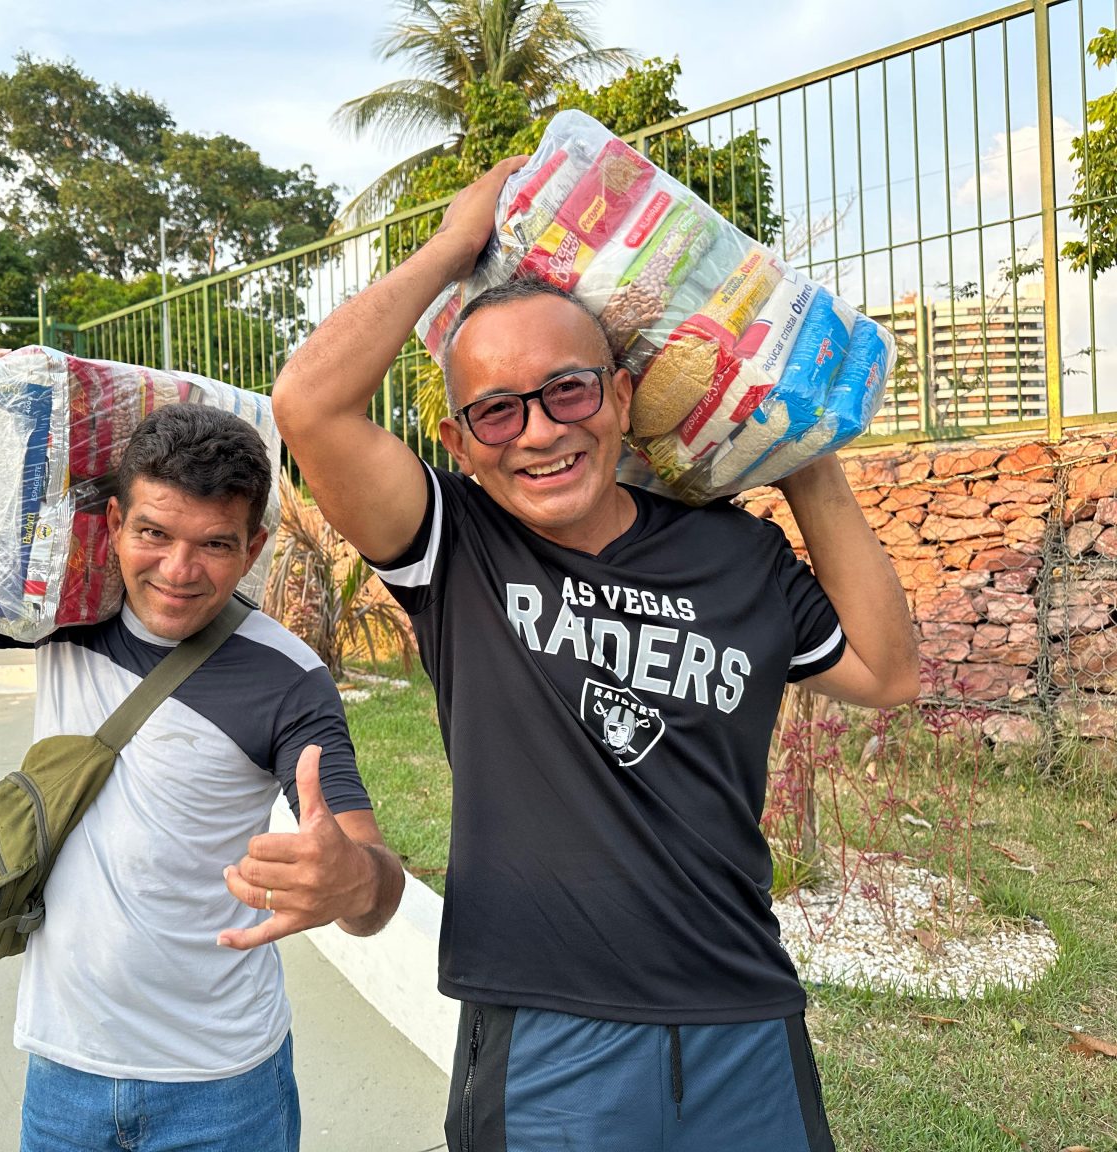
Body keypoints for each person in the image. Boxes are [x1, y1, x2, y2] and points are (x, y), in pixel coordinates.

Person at [269, 157, 920, 1152]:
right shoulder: (457, 547)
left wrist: (802, 451)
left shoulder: (733, 553)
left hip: (744, 1018)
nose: (538, 433)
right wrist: (452, 246)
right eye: (498, 410)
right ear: (462, 436)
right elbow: (310, 406)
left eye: (567, 392)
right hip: (545, 1032)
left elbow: (887, 673)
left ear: (619, 398)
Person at [0, 340, 405, 1152]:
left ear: (251, 549)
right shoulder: (62, 619)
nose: (179, 570)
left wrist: (351, 881)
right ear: (112, 523)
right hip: (63, 1074)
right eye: (153, 533)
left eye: (215, 544)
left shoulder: (289, 677)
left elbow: (373, 886)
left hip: (225, 1089)